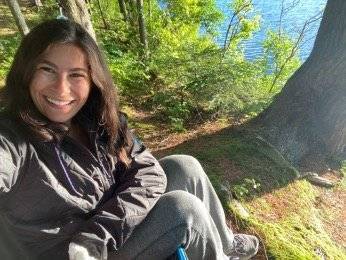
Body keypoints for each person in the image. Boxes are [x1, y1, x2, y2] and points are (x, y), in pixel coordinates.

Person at [0, 19, 259, 260]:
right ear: (26, 72)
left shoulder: (96, 120)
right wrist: (93, 242)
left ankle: (224, 246)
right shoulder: (13, 138)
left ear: (92, 80)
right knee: (183, 211)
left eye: (76, 74)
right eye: (47, 69)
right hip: (74, 253)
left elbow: (149, 171)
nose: (61, 89)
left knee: (184, 166)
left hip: (103, 231)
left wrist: (101, 233)